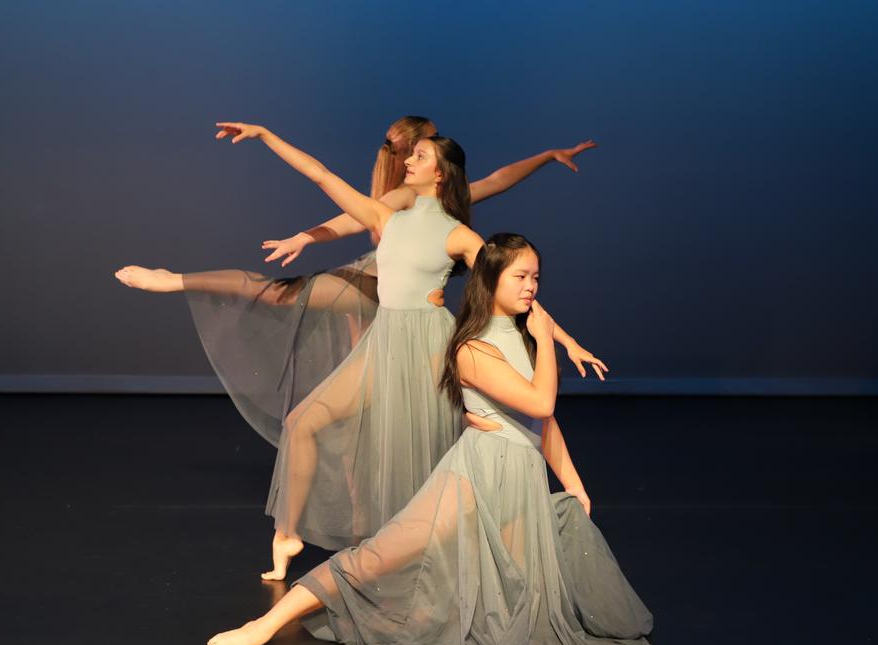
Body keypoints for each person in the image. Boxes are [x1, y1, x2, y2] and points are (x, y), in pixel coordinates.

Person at [203, 236, 664, 645]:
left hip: (520, 480)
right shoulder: (472, 348)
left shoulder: (522, 338)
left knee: (509, 599)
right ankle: (263, 625)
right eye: (521, 276)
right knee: (378, 558)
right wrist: (548, 340)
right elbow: (542, 403)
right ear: (490, 279)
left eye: (536, 277)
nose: (531, 287)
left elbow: (542, 424)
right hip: (477, 475)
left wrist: (574, 483)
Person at [114, 115, 603, 444]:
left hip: (409, 306)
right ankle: (175, 280)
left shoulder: (450, 207)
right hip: (374, 287)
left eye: (429, 150)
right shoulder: (404, 198)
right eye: (420, 147)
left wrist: (547, 155)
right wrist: (305, 235)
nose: (421, 156)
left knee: (399, 402)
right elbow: (343, 203)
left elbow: (499, 182)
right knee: (285, 301)